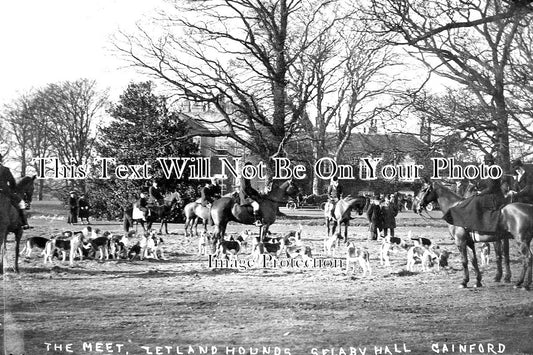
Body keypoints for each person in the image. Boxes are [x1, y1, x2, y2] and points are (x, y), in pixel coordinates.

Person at [443, 153, 505, 233]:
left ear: (489, 162)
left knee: (475, 201)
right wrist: (477, 184)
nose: (485, 163)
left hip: (494, 196)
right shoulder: (491, 169)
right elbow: (486, 182)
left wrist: (480, 193)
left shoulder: (493, 170)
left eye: (486, 162)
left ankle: (476, 225)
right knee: (471, 199)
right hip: (491, 194)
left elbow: (491, 187)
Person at [0, 154, 30, 229]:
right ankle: (24, 223)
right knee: (21, 203)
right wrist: (11, 190)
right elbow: (12, 182)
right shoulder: (5, 170)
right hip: (5, 192)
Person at [239, 162, 263, 226]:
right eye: (249, 168)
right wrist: (250, 195)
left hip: (248, 194)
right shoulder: (244, 177)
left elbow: (249, 188)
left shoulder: (247, 176)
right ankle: (256, 220)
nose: (250, 169)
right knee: (256, 205)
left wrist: (256, 193)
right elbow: (244, 188)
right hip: (245, 196)